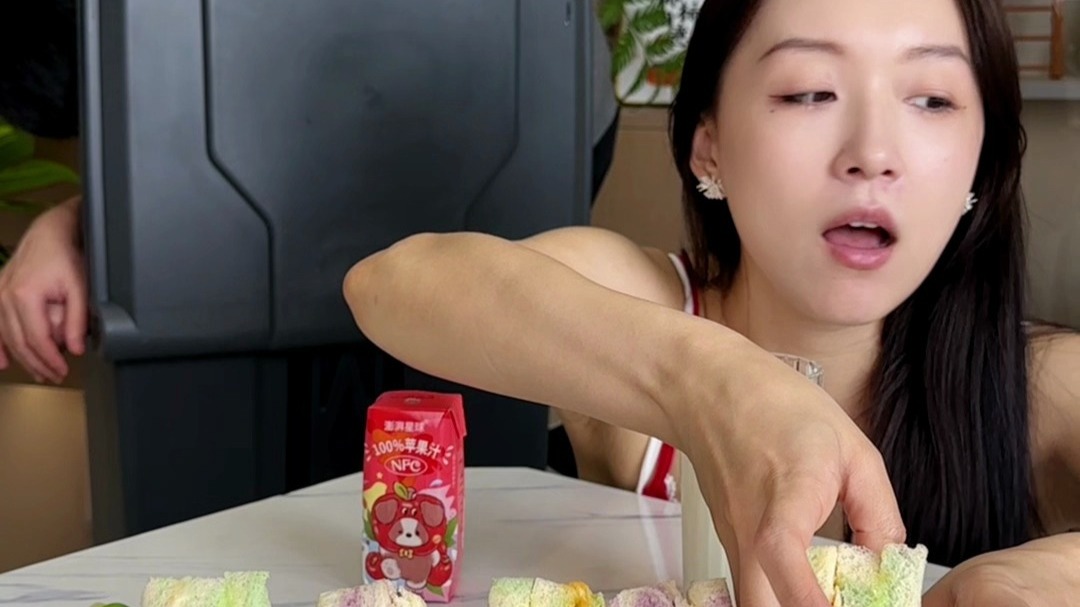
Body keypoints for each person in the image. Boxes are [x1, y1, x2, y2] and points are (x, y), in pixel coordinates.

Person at [341, 0, 1080, 605]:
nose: (872, 152)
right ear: (709, 144)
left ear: (979, 162)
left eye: (932, 99)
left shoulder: (1038, 382)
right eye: (810, 92)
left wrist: (1046, 573)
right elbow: (392, 286)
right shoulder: (651, 303)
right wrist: (711, 382)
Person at [0, 0, 621, 384]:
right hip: (434, 111)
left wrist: (93, 220)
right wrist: (88, 220)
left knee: (468, 358)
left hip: (528, 111)